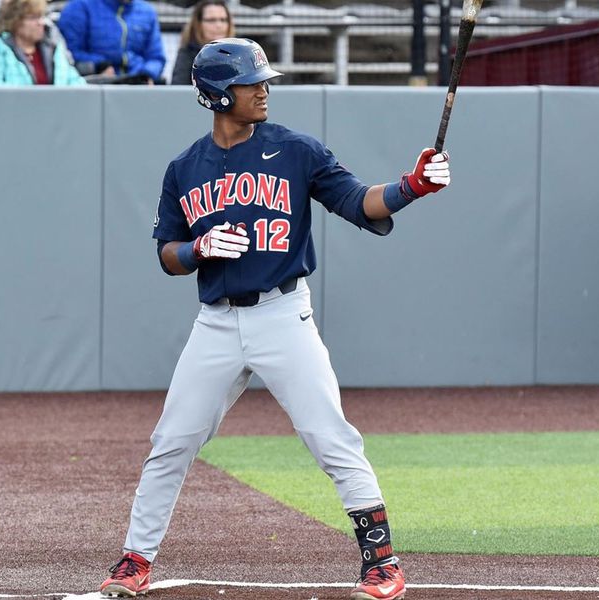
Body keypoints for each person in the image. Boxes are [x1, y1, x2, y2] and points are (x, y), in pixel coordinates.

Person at [98, 38, 450, 600]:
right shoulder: (184, 168)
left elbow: (360, 203)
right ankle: (135, 561)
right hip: (215, 324)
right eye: (251, 82)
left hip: (284, 314)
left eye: (264, 80)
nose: (264, 90)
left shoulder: (296, 150)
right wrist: (198, 250)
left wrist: (413, 187)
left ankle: (383, 564)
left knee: (330, 435)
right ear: (216, 95)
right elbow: (167, 253)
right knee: (170, 442)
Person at [0, 0, 86, 86]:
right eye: (33, 18)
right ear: (14, 21)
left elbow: (75, 82)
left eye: (42, 16)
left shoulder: (53, 47)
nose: (41, 22)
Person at [55, 0, 165, 82]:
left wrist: (148, 74)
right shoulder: (79, 8)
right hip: (96, 85)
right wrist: (99, 66)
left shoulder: (148, 12)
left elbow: (156, 57)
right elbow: (68, 53)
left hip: (139, 85)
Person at [170, 0, 232, 86]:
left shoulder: (240, 53)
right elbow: (178, 88)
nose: (219, 25)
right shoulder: (187, 53)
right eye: (211, 20)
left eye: (223, 20)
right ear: (198, 24)